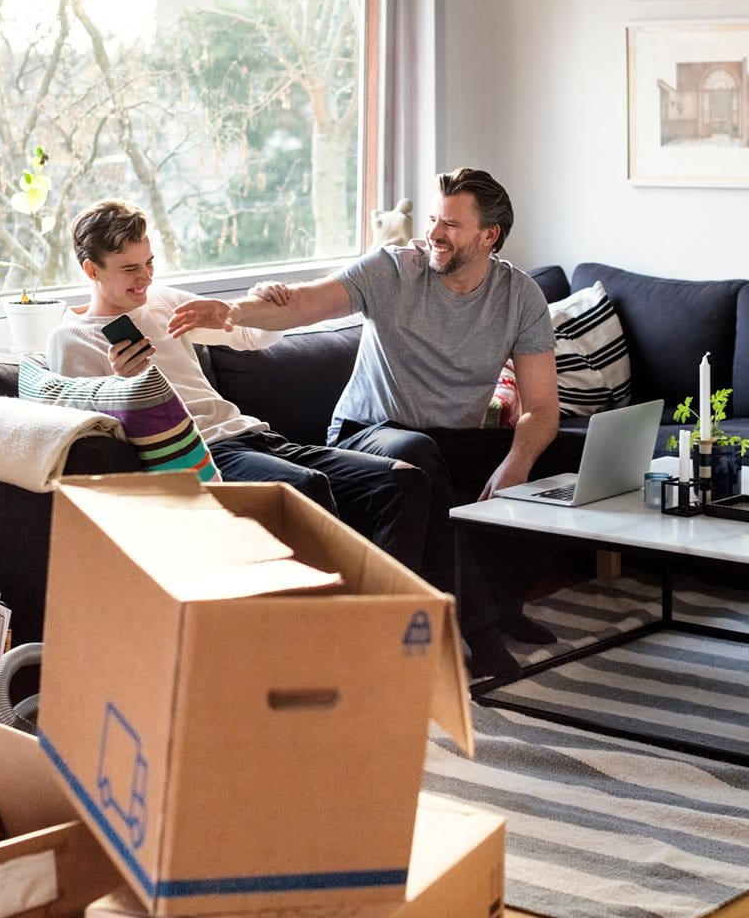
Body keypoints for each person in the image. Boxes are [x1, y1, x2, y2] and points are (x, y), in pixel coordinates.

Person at [168, 168, 569, 680]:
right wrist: (231, 310)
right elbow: (306, 303)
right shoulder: (394, 270)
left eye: (450, 224)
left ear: (490, 235)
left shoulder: (519, 295)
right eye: (433, 219)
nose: (434, 233)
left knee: (555, 456)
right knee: (419, 455)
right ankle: (479, 632)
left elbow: (542, 407)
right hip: (370, 432)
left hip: (452, 438)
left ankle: (504, 604)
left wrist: (518, 461)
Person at [46, 198, 430, 581]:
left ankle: (397, 613)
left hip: (253, 437)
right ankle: (340, 615)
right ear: (91, 269)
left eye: (149, 263)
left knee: (403, 482)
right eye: (130, 268)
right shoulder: (72, 338)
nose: (145, 277)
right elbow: (92, 435)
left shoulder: (163, 302)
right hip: (203, 456)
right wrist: (122, 383)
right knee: (304, 488)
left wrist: (264, 298)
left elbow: (250, 336)